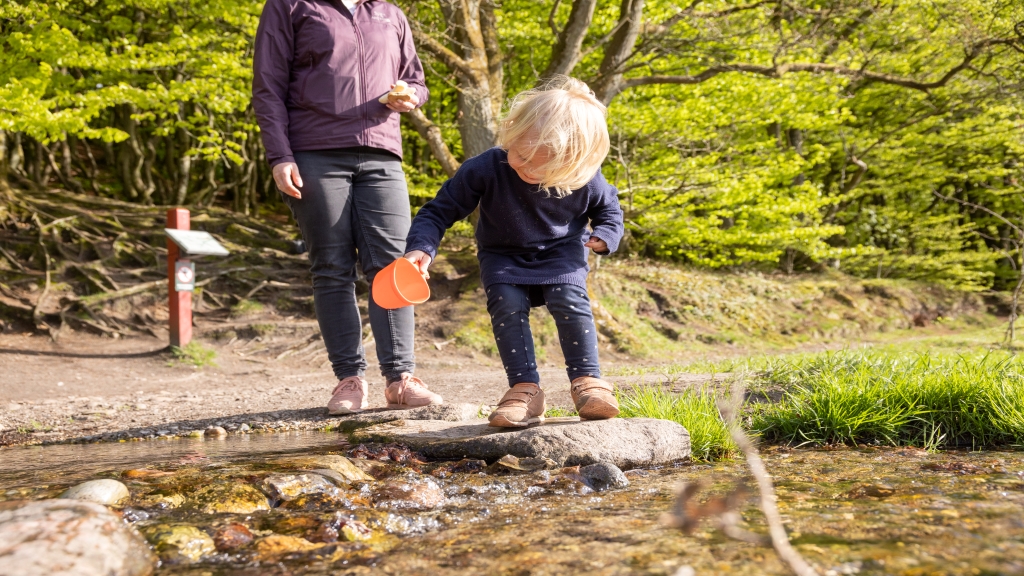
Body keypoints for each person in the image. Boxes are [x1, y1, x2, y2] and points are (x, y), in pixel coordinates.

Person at [252, 0, 442, 414]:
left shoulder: (390, 13)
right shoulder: (290, 6)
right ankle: (349, 379)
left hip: (382, 154)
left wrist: (412, 96)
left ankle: (400, 378)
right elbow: (268, 86)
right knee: (332, 268)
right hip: (313, 151)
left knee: (395, 266)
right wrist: (279, 156)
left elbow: (416, 80)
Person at [403, 76, 624, 427]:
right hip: (502, 256)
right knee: (506, 304)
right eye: (519, 153)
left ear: (570, 165)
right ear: (512, 133)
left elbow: (610, 210)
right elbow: (439, 210)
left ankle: (588, 382)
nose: (522, 165)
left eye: (538, 165)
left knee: (569, 299)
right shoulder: (487, 167)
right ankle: (525, 389)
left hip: (560, 253)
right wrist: (421, 248)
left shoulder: (586, 177)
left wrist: (607, 235)